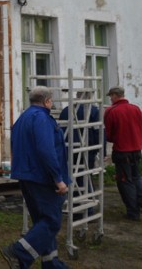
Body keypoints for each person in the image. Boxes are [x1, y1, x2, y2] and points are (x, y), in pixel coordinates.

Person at [1, 86, 71, 269]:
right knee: (51, 221)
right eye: (52, 101)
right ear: (47, 101)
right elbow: (46, 150)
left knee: (42, 221)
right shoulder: (42, 119)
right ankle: (19, 252)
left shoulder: (22, 118)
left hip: (27, 176)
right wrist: (58, 179)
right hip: (43, 178)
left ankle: (51, 262)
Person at [104, 85, 142, 220]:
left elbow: (108, 135)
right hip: (136, 149)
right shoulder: (135, 109)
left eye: (111, 96)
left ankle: (133, 211)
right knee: (137, 176)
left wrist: (117, 137)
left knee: (125, 181)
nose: (110, 99)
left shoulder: (111, 111)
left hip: (121, 151)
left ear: (114, 95)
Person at [58, 90, 101, 219]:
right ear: (90, 97)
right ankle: (87, 210)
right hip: (88, 149)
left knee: (72, 178)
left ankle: (75, 208)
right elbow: (98, 132)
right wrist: (101, 150)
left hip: (68, 148)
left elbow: (60, 130)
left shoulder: (66, 110)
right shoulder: (93, 111)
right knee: (85, 177)